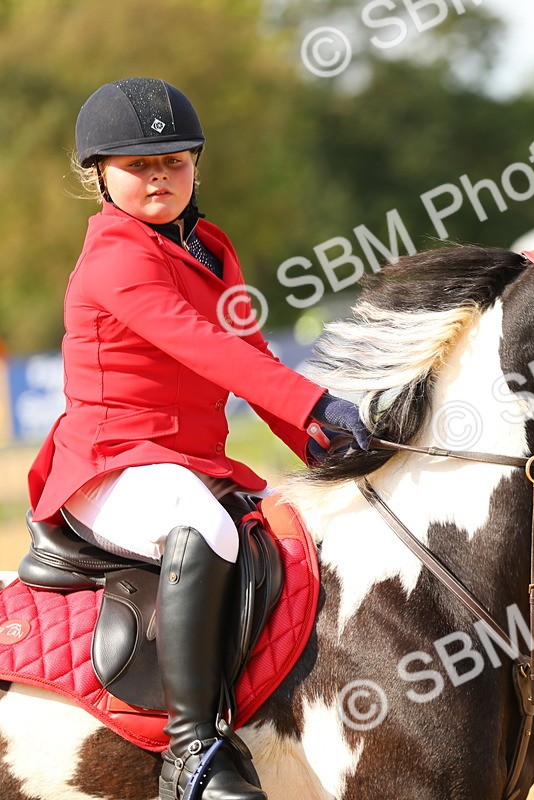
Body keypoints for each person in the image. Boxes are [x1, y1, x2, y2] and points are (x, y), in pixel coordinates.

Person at [26, 78, 370, 800]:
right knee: (201, 524)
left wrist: (315, 440)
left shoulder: (209, 246)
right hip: (109, 468)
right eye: (138, 166)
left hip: (189, 461)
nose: (159, 178)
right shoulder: (114, 257)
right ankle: (193, 753)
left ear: (196, 165)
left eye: (174, 162)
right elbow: (205, 350)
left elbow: (253, 356)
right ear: (99, 175)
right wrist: (321, 401)